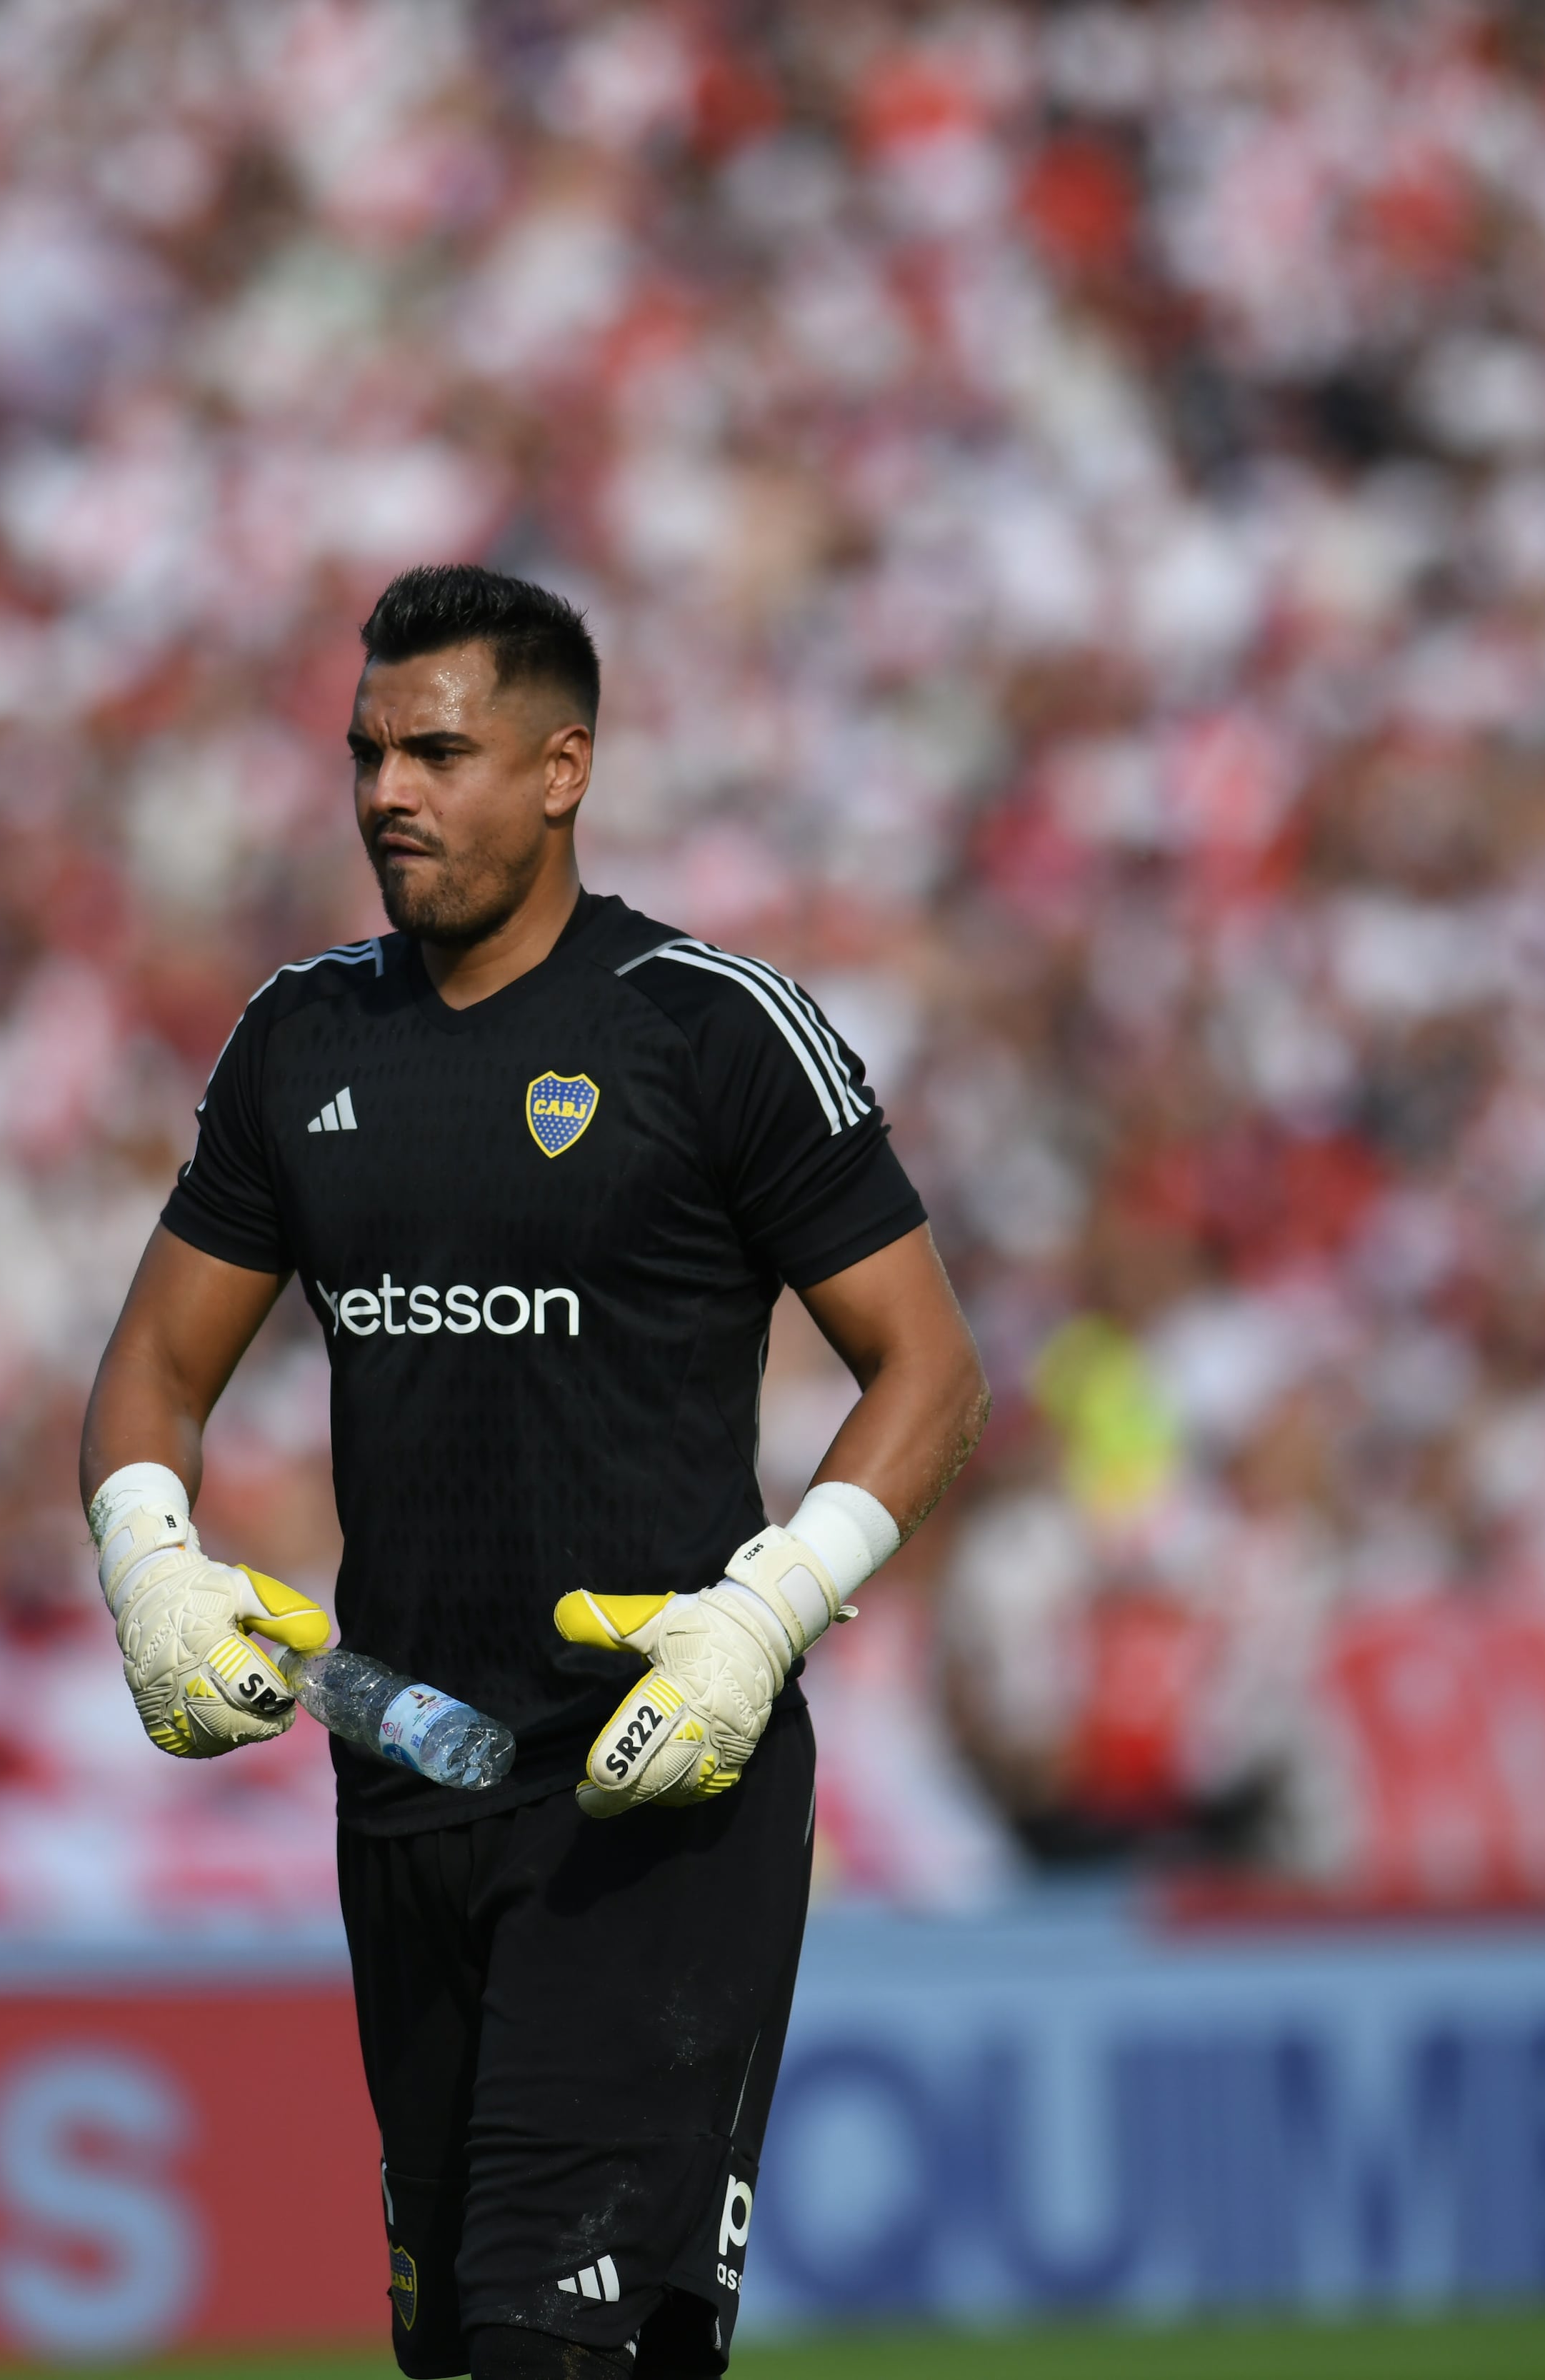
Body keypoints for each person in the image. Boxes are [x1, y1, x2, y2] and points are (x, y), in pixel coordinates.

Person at [78, 564, 987, 2377]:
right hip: (407, 1779)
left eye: (439, 750)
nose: (385, 794)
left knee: (543, 2350)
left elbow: (931, 1367)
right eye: (365, 752)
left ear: (563, 767)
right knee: (467, 2349)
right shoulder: (302, 1039)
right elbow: (152, 1373)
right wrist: (153, 1564)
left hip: (654, 1788)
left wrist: (764, 1616)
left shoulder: (707, 1028)